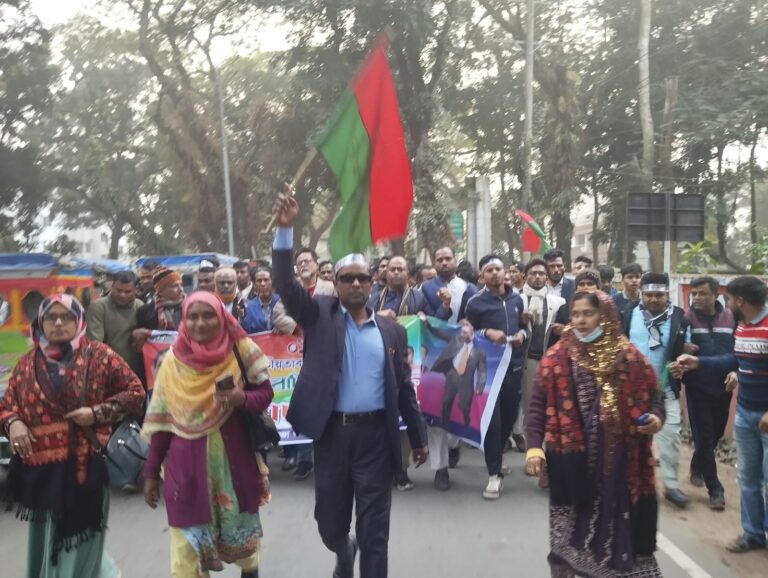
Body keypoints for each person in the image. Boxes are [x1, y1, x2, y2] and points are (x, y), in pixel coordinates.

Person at [271, 193, 427, 578]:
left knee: (375, 532)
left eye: (362, 277)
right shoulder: (318, 315)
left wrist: (418, 437)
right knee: (330, 524)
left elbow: (403, 388)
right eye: (347, 278)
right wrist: (285, 229)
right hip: (332, 437)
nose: (355, 283)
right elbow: (285, 284)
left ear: (372, 282)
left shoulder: (391, 331)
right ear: (335, 283)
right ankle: (344, 551)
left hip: (375, 440)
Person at [0, 294, 145, 578]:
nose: (58, 323)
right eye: (50, 317)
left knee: (80, 539)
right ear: (40, 322)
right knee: (46, 540)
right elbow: (7, 405)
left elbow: (135, 392)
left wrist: (96, 413)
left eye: (66, 317)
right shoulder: (27, 363)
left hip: (85, 467)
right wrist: (14, 423)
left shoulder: (99, 355)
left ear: (78, 320)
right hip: (41, 472)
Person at [526, 291, 665, 578]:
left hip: (621, 466)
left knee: (622, 532)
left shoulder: (629, 356)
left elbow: (655, 396)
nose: (580, 320)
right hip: (572, 464)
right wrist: (534, 448)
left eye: (588, 313)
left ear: (606, 316)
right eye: (575, 314)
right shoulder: (557, 357)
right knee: (567, 535)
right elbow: (537, 405)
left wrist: (656, 418)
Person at [142, 291, 273, 578]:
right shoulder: (171, 362)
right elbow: (163, 423)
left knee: (246, 552)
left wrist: (242, 398)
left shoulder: (241, 349)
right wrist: (150, 472)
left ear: (222, 317)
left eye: (208, 315)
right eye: (193, 317)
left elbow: (265, 394)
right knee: (185, 556)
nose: (200, 323)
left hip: (234, 467)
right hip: (186, 473)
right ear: (183, 320)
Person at [676, 276, 768, 553]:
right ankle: (753, 534)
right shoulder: (743, 327)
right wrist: (698, 362)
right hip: (743, 413)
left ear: (739, 300)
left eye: (729, 298)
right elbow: (734, 359)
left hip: (764, 415)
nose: (727, 303)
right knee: (747, 478)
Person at [623, 272, 692, 509]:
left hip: (665, 389)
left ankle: (671, 486)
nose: (653, 299)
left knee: (671, 436)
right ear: (642, 294)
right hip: (631, 392)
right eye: (649, 294)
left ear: (667, 295)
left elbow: (685, 352)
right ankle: (627, 483)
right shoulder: (628, 314)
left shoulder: (680, 319)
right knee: (629, 438)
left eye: (659, 295)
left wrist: (681, 364)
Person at [465, 254, 527, 500]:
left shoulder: (517, 299)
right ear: (482, 276)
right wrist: (486, 332)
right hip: (487, 371)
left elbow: (524, 326)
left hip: (513, 368)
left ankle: (497, 457)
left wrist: (522, 334)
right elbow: (465, 332)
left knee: (510, 417)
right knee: (493, 422)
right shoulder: (474, 303)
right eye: (488, 270)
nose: (494, 273)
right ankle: (494, 475)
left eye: (498, 269)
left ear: (505, 272)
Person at [678, 276, 735, 510]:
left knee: (716, 434)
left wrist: (735, 371)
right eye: (694, 293)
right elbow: (674, 345)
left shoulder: (730, 317)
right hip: (697, 387)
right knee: (703, 435)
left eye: (702, 293)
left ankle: (697, 463)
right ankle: (715, 489)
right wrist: (682, 346)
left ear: (716, 294)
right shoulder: (685, 318)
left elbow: (739, 350)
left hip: (723, 386)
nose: (697, 298)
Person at [421, 246, 478, 473]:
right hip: (435, 356)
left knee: (459, 403)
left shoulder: (469, 289)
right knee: (436, 408)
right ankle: (440, 468)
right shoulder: (425, 289)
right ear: (435, 264)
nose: (444, 262)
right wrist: (443, 307)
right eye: (439, 259)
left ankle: (454, 444)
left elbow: (477, 320)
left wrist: (470, 324)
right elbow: (430, 320)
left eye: (448, 258)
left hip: (463, 355)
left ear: (455, 260)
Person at [511, 258, 567, 455]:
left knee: (549, 408)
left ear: (546, 276)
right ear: (525, 276)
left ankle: (546, 452)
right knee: (530, 409)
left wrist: (563, 329)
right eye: (533, 273)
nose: (537, 277)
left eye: (541, 273)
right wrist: (520, 321)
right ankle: (533, 453)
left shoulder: (558, 303)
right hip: (525, 361)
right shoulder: (515, 300)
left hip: (549, 362)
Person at [86, 270, 144, 379]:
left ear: (136, 290)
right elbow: (95, 344)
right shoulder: (99, 307)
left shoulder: (140, 306)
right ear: (112, 287)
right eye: (119, 290)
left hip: (135, 373)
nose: (122, 295)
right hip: (108, 372)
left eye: (127, 291)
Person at [431, 320, 487, 428]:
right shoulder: (455, 340)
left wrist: (480, 386)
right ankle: (444, 422)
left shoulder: (480, 353)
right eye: (461, 332)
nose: (462, 335)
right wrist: (427, 324)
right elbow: (440, 334)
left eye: (465, 333)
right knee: (446, 401)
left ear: (471, 334)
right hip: (452, 375)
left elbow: (482, 370)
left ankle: (466, 420)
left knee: (464, 405)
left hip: (466, 380)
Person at [134, 267, 186, 355]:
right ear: (161, 290)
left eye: (181, 285)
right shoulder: (145, 312)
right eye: (174, 286)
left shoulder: (190, 307)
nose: (180, 289)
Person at [368, 256, 434, 319]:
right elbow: (365, 321)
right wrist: (377, 316)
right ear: (387, 274)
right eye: (392, 269)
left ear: (408, 274)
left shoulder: (420, 298)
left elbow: (433, 321)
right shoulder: (374, 299)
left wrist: (424, 318)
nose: (396, 272)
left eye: (400, 269)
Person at [242, 266, 297, 335]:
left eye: (266, 280)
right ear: (254, 284)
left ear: (272, 282)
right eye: (259, 281)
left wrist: (284, 326)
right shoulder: (248, 307)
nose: (263, 284)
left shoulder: (283, 301)